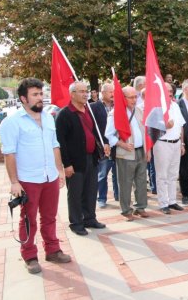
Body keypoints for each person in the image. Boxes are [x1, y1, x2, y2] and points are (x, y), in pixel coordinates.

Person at [0, 78, 71, 274]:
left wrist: (59, 170)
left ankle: (53, 250)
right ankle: (29, 255)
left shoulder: (48, 118)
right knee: (29, 218)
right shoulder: (12, 122)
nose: (41, 98)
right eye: (35, 95)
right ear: (23, 98)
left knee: (50, 216)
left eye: (41, 94)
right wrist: (14, 182)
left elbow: (55, 145)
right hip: (28, 179)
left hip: (49, 177)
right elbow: (9, 153)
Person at [56, 81, 106, 235]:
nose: (86, 94)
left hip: (92, 158)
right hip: (75, 162)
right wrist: (67, 164)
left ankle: (90, 218)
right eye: (81, 91)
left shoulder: (88, 110)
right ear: (72, 94)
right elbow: (60, 142)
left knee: (91, 190)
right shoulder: (64, 114)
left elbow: (95, 132)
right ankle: (76, 223)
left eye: (86, 91)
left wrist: (105, 143)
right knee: (76, 193)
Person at [105, 86, 149, 221]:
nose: (134, 100)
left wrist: (148, 150)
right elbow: (108, 135)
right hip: (125, 153)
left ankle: (140, 207)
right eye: (131, 97)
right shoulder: (116, 113)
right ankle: (126, 210)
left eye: (135, 96)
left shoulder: (139, 111)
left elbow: (145, 131)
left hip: (141, 151)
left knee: (141, 181)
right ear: (123, 98)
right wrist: (121, 144)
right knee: (125, 182)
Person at [146, 83, 186, 214]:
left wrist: (182, 143)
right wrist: (165, 125)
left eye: (171, 90)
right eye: (166, 90)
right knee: (162, 175)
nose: (169, 92)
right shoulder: (157, 107)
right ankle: (163, 203)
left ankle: (172, 201)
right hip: (162, 143)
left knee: (173, 174)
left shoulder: (175, 105)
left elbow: (181, 125)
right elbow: (150, 125)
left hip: (176, 143)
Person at [90, 83, 118, 207]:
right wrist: (102, 144)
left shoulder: (118, 106)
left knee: (118, 173)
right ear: (103, 92)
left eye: (114, 92)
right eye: (110, 92)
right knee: (102, 174)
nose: (112, 94)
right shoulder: (94, 107)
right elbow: (93, 128)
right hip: (103, 146)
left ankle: (119, 196)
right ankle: (101, 198)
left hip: (117, 145)